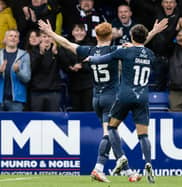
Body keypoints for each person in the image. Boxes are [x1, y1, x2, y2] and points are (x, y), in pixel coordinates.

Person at [38, 19, 167, 183]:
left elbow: (67, 44)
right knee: (109, 133)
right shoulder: (115, 49)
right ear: (111, 35)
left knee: (110, 132)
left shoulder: (88, 50)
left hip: (96, 97)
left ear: (96, 35)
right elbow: (138, 45)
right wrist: (154, 31)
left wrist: (50, 33)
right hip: (111, 96)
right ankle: (102, 167)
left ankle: (127, 172)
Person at [87, 24, 156, 183]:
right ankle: (148, 163)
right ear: (145, 38)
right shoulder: (150, 54)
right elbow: (142, 51)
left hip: (124, 95)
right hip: (142, 97)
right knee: (143, 135)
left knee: (111, 127)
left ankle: (121, 158)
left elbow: (103, 59)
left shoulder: (125, 51)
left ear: (131, 36)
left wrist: (91, 59)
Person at [0, 29, 31, 111]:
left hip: (16, 101)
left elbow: (27, 78)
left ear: (18, 40)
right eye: (10, 36)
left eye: (16, 36)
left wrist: (18, 71)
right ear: (5, 39)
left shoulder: (24, 55)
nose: (13, 38)